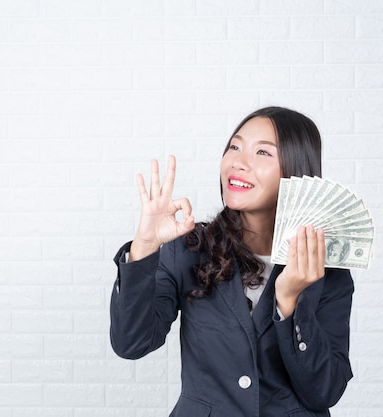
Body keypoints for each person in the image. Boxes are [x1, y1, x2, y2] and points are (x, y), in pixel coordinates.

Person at [109, 106, 354, 417]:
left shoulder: (326, 268)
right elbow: (131, 343)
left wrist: (290, 301)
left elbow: (325, 391)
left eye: (263, 153)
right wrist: (144, 246)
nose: (239, 163)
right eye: (234, 147)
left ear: (296, 171)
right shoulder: (189, 248)